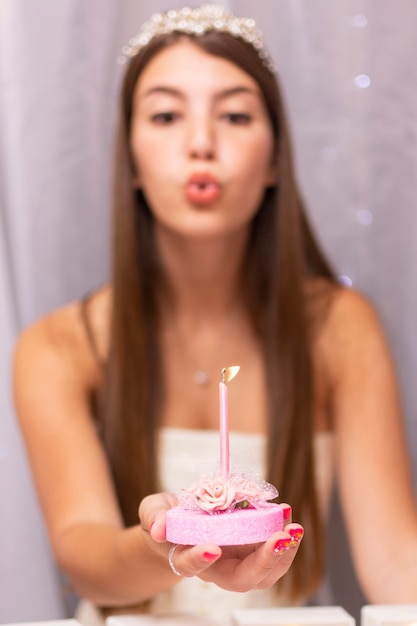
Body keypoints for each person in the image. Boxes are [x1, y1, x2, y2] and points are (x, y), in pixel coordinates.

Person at [13, 4, 417, 625]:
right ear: (132, 161)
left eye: (233, 115)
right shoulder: (59, 347)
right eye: (166, 115)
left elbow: (395, 559)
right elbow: (82, 549)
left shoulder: (340, 328)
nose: (201, 144)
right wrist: (163, 546)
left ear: (277, 158)